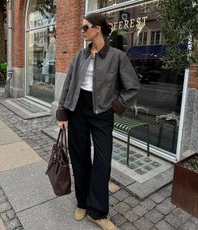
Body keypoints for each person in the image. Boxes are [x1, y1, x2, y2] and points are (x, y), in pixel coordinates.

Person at [56, 13, 140, 230]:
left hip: (102, 113)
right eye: (82, 27)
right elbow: (70, 83)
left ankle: (98, 212)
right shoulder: (80, 56)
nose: (82, 31)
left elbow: (132, 87)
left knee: (102, 162)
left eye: (85, 27)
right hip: (78, 110)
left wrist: (116, 106)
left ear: (98, 29)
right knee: (80, 157)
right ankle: (82, 202)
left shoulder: (117, 56)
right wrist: (62, 112)